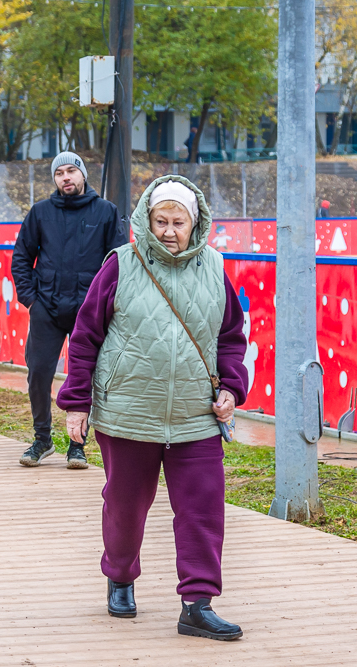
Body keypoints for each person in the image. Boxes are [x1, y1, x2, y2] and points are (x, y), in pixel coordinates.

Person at [57, 175, 248, 641]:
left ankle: (197, 604)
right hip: (128, 414)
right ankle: (120, 577)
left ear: (195, 222)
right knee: (124, 506)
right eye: (159, 220)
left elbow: (230, 339)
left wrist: (231, 388)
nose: (167, 230)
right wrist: (76, 403)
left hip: (195, 416)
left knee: (203, 510)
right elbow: (85, 339)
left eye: (177, 222)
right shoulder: (120, 265)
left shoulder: (215, 269)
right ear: (146, 219)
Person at [11, 151, 126, 469]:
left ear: (83, 175)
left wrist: (105, 304)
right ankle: (42, 439)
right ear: (54, 179)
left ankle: (78, 445)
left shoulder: (106, 212)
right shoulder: (40, 212)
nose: (66, 177)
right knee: (38, 374)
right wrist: (31, 300)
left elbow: (119, 261)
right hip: (46, 308)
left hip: (88, 311)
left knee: (84, 375)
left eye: (71, 171)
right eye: (59, 172)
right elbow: (21, 257)